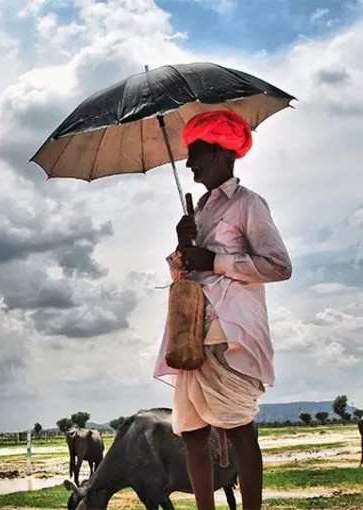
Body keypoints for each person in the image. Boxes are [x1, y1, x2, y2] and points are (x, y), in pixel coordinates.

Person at [152, 110, 292, 510]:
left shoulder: (249, 204)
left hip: (229, 338)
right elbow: (184, 274)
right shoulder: (197, 214)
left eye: (196, 154)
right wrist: (182, 249)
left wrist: (213, 260)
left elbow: (279, 267)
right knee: (192, 434)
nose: (189, 164)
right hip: (190, 336)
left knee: (241, 432)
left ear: (220, 153)